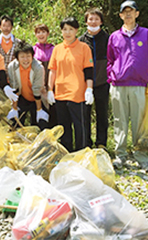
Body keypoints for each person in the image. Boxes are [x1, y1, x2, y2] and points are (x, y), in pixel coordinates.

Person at [107, 0, 148, 170]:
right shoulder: (114, 36)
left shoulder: (146, 34)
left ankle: (141, 156)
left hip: (139, 84)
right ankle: (120, 156)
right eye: (124, 12)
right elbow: (110, 60)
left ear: (137, 14)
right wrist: (112, 76)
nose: (128, 14)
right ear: (121, 15)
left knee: (138, 122)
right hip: (118, 85)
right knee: (119, 121)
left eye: (131, 11)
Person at [47, 17, 94, 152]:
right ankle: (67, 153)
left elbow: (89, 71)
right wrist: (50, 89)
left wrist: (89, 89)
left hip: (77, 93)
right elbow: (52, 71)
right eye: (65, 29)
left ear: (76, 31)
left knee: (80, 126)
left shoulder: (84, 48)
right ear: (61, 31)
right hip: (60, 93)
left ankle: (82, 152)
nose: (68, 33)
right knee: (64, 127)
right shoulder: (57, 49)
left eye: (71, 29)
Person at [79, 8, 110, 149]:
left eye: (96, 19)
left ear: (101, 21)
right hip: (85, 84)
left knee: (102, 114)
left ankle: (101, 143)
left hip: (103, 82)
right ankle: (86, 143)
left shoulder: (108, 38)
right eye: (90, 19)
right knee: (84, 115)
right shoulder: (81, 41)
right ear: (86, 22)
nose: (93, 21)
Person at [7, 41, 49, 130]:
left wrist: (39, 110)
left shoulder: (38, 67)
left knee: (40, 124)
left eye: (28, 56)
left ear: (32, 56)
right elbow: (15, 87)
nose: (25, 60)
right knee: (15, 122)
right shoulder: (12, 67)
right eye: (22, 57)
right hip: (22, 97)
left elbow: (37, 89)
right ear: (17, 58)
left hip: (38, 99)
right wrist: (14, 108)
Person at [33, 24, 57, 128]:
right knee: (39, 115)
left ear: (48, 33)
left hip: (53, 87)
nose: (41, 34)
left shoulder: (54, 49)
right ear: (35, 34)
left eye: (43, 32)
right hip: (38, 87)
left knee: (54, 115)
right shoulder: (33, 50)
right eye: (38, 32)